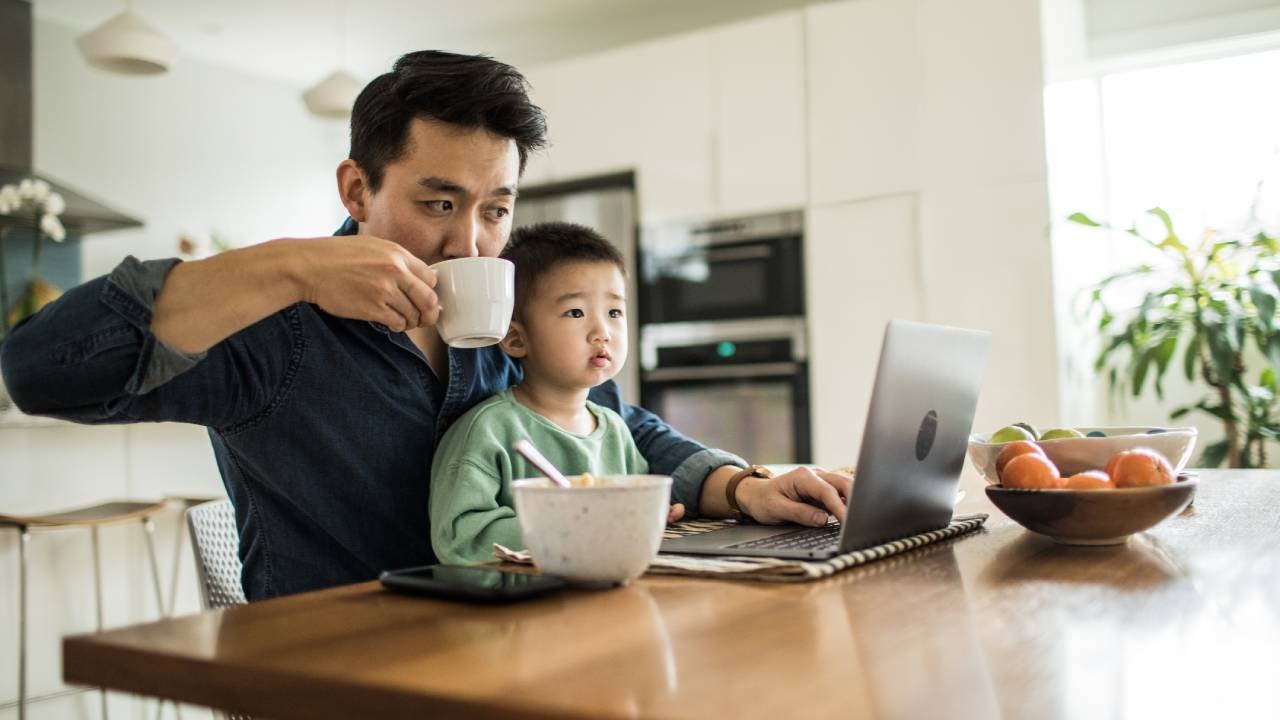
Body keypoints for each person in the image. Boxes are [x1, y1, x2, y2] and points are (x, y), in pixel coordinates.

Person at [0, 50, 851, 601]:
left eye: (496, 209)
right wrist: (291, 265)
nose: (467, 241)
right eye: (438, 202)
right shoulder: (275, 327)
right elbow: (38, 370)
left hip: (516, 644)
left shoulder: (510, 317)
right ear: (357, 190)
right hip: (346, 674)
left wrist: (742, 487)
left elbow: (614, 425)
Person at [431, 222, 680, 564]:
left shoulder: (615, 430)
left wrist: (646, 516)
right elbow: (460, 539)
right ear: (517, 339)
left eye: (614, 312)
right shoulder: (489, 430)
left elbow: (620, 518)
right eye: (575, 312)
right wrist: (574, 525)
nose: (602, 332)